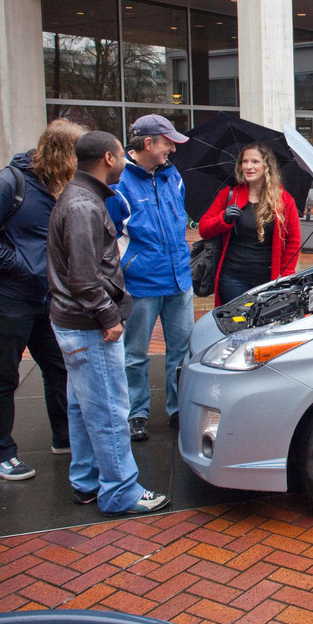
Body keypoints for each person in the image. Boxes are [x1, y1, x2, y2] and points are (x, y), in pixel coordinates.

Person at [0, 119, 85, 481]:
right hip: (5, 298)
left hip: (44, 298)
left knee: (59, 367)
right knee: (2, 376)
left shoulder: (56, 186)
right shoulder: (8, 184)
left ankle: (64, 436)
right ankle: (0, 453)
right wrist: (15, 266)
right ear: (64, 154)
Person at [47, 130, 170, 517]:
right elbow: (83, 276)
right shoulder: (84, 206)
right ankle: (120, 491)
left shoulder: (80, 198)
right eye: (122, 154)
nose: (126, 159)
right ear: (108, 158)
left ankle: (85, 481)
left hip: (75, 323)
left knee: (83, 407)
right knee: (109, 410)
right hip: (88, 324)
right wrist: (107, 317)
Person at [106, 114, 192, 442]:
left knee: (181, 351)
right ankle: (136, 413)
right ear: (147, 143)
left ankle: (178, 408)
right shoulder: (118, 183)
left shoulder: (174, 177)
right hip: (141, 283)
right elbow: (110, 235)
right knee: (136, 353)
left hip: (178, 280)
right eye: (167, 142)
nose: (172, 148)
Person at [198, 142, 302, 305]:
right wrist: (223, 219)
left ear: (266, 166)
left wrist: (285, 275)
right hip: (233, 278)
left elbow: (293, 242)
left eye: (255, 161)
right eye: (244, 161)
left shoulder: (284, 200)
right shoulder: (229, 195)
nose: (248, 166)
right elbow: (204, 229)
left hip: (268, 280)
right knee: (237, 325)